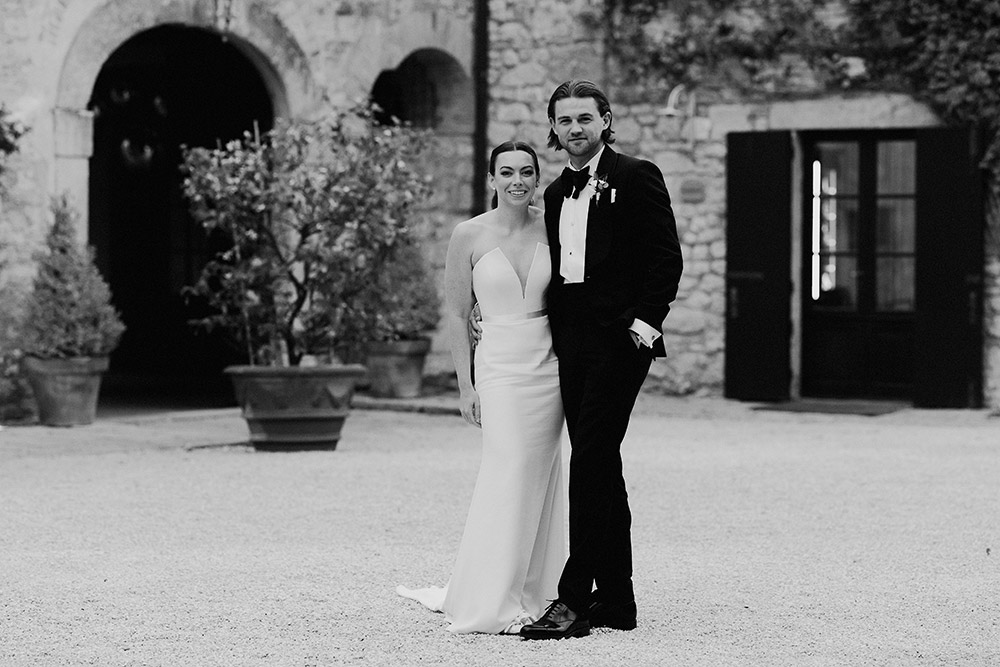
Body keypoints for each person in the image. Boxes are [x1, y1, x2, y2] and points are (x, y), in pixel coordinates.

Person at [518, 80, 683, 640]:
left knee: (588, 458)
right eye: (564, 121)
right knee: (602, 466)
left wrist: (643, 325)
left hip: (620, 341)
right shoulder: (558, 190)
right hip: (571, 342)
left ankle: (571, 600)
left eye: (585, 119)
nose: (574, 130)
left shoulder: (637, 176)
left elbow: (666, 257)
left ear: (605, 120)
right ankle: (618, 601)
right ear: (554, 128)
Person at [396, 141, 567, 634]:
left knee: (543, 477)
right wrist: (464, 386)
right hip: (498, 367)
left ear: (537, 178)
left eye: (527, 172)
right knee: (507, 470)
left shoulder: (551, 226)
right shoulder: (467, 234)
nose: (518, 180)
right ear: (491, 178)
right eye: (507, 172)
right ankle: (492, 600)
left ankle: (538, 590)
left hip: (548, 366)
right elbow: (454, 313)